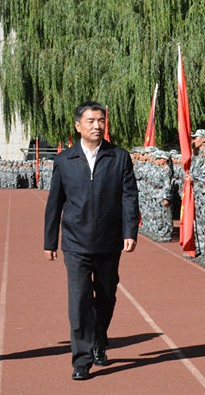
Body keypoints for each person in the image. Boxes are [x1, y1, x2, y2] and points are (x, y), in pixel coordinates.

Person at [43, 101, 139, 381]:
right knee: (79, 300)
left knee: (107, 295)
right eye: (90, 121)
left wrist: (129, 231)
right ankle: (81, 359)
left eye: (100, 121)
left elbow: (129, 197)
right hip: (75, 242)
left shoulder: (119, 157)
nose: (96, 126)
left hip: (109, 241)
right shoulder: (64, 160)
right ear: (78, 126)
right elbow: (55, 203)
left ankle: (99, 338)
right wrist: (50, 241)